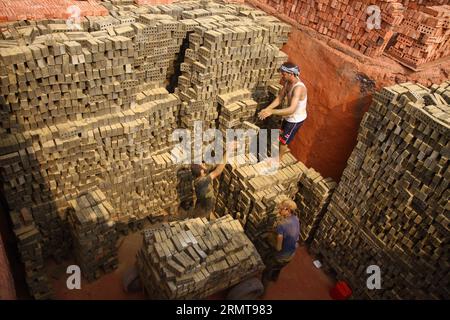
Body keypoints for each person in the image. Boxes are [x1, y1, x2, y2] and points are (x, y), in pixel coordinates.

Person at [258, 62, 307, 166]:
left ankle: (278, 160)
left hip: (295, 119)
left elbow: (291, 110)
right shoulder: (287, 83)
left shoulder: (298, 88)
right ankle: (279, 152)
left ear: (291, 74)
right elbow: (280, 98)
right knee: (282, 136)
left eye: (284, 74)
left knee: (284, 140)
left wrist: (271, 111)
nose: (282, 75)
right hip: (289, 116)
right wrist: (267, 109)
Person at [191, 142, 235, 219]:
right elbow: (218, 171)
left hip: (201, 204)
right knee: (201, 223)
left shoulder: (198, 178)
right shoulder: (203, 182)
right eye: (202, 165)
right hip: (203, 209)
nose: (204, 163)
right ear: (202, 172)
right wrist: (229, 150)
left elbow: (211, 167)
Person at [262, 198, 300, 286]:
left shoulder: (282, 225)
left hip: (281, 257)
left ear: (288, 210)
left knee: (267, 269)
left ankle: (263, 288)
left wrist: (270, 239)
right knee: (278, 267)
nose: (279, 210)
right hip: (291, 254)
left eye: (281, 208)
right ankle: (274, 277)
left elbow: (278, 248)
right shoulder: (296, 219)